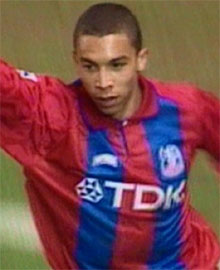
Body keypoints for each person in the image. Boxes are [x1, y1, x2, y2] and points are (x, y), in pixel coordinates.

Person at [0, 2, 219, 270]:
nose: (103, 83)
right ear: (76, 62)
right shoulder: (51, 119)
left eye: (117, 65)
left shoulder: (187, 110)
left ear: (141, 59)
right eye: (90, 67)